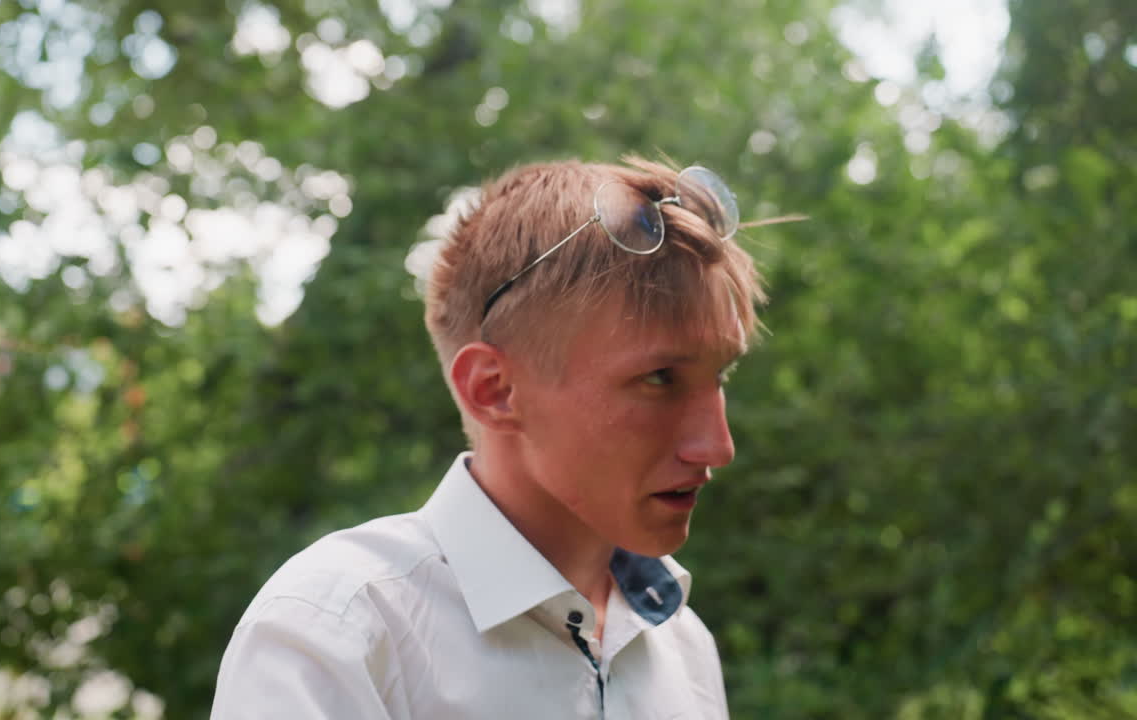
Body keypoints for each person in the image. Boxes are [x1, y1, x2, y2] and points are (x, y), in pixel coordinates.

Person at [211, 156, 769, 719]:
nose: (717, 447)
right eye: (660, 378)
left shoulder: (683, 646)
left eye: (720, 376)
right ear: (495, 391)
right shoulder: (337, 632)